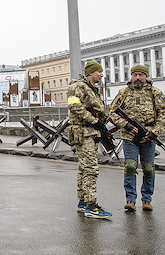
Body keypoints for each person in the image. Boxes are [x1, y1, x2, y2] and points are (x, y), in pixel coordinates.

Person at [109, 64, 165, 212]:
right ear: (131, 76)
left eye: (140, 75)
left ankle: (146, 200)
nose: (137, 78)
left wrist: (155, 132)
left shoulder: (154, 93)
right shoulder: (123, 92)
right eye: (135, 75)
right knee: (130, 166)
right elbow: (112, 112)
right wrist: (126, 125)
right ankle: (130, 199)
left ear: (146, 76)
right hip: (129, 136)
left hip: (148, 136)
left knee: (148, 169)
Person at [66, 61, 112, 219]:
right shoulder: (78, 86)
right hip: (83, 131)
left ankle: (83, 202)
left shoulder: (91, 89)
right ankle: (91, 206)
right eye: (99, 71)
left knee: (84, 168)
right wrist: (94, 120)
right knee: (91, 168)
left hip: (90, 132)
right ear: (90, 73)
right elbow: (74, 106)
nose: (101, 74)